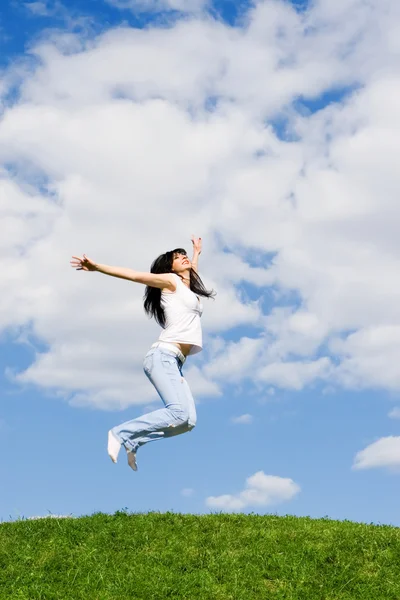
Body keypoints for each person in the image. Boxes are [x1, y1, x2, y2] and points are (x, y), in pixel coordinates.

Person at [70, 236, 215, 471]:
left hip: (175, 362)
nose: (184, 258)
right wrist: (97, 268)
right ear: (170, 269)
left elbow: (191, 274)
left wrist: (196, 253)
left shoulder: (187, 288)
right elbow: (134, 275)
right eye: (178, 258)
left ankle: (133, 440)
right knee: (178, 412)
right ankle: (119, 432)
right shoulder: (170, 282)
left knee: (188, 422)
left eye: (183, 255)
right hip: (163, 356)